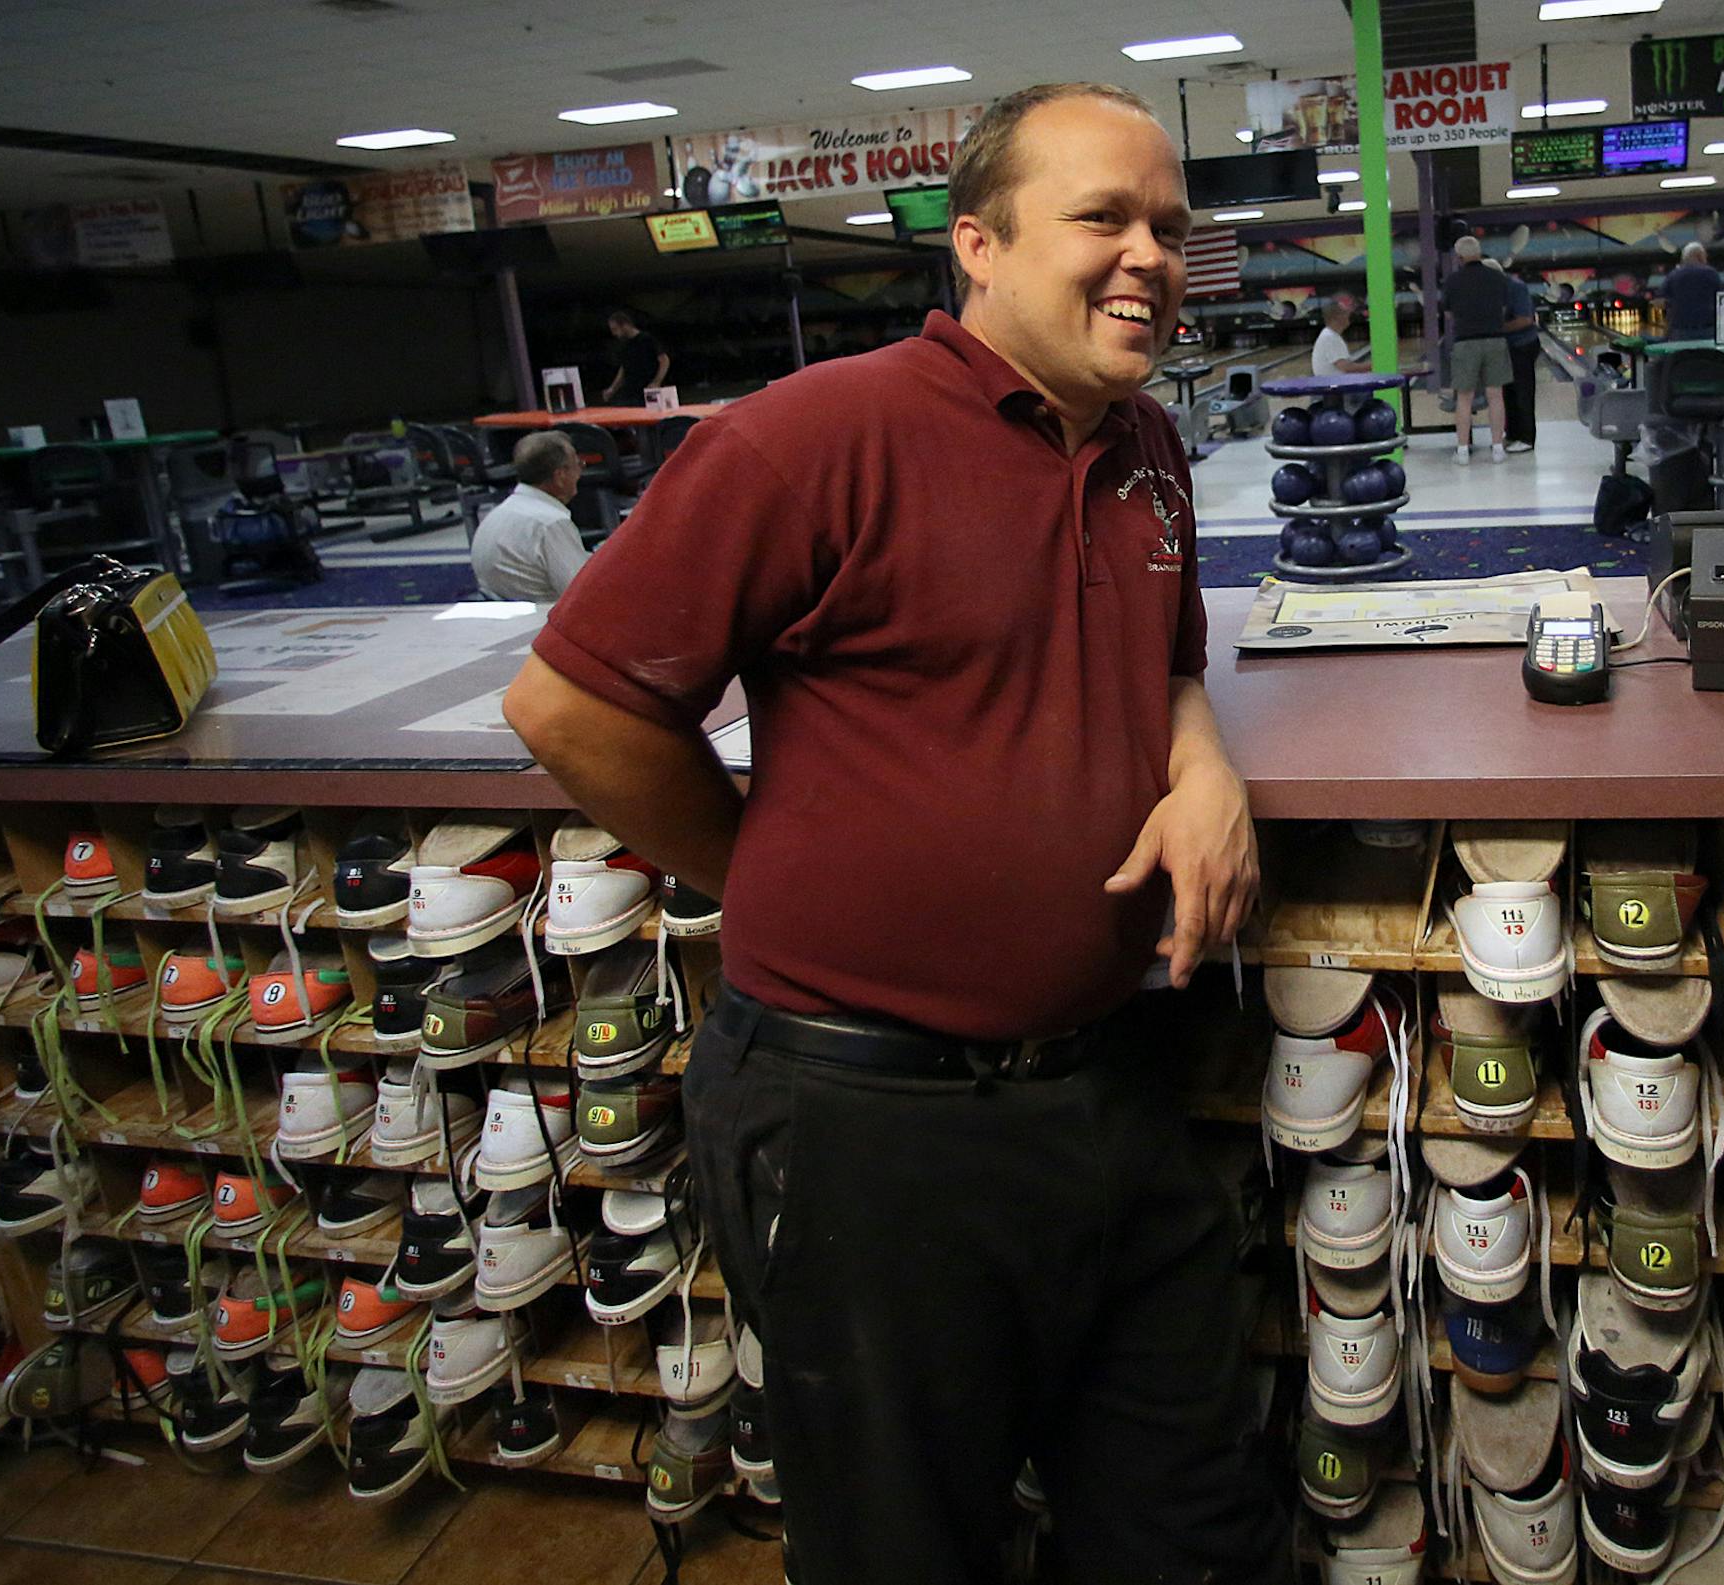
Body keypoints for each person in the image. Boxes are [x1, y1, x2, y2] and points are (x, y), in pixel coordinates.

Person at [502, 81, 1278, 1585]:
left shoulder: (1148, 446)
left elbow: (1169, 660)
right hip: (871, 1128)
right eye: (1103, 220)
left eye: (1171, 229)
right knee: (906, 1548)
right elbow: (571, 709)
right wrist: (770, 872)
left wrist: (1206, 769)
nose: (1151, 259)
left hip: (1108, 1086)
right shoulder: (812, 439)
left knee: (1192, 1529)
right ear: (976, 246)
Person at [467, 432, 589, 603]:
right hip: (542, 619)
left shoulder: (498, 514)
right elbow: (581, 593)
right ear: (560, 476)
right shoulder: (550, 523)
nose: (579, 473)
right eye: (578, 465)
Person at [1442, 234, 1508, 464]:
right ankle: (1498, 448)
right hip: (1495, 340)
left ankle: (1462, 451)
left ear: (1459, 257)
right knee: (1495, 395)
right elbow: (1504, 306)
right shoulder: (1497, 277)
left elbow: (1448, 313)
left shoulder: (1452, 281)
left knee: (1464, 397)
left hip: (1465, 342)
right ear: (1479, 253)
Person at [1493, 258, 1540, 454]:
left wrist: (1495, 329)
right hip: (1508, 346)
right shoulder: (1497, 288)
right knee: (1509, 392)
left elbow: (1525, 320)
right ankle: (1512, 434)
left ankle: (1526, 438)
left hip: (1523, 345)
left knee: (1522, 392)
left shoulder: (1516, 287)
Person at [600, 308, 670, 403]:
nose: (614, 333)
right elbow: (624, 368)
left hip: (648, 389)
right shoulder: (624, 344)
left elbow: (664, 360)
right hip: (631, 391)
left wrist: (656, 382)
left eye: (615, 329)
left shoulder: (647, 339)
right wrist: (612, 388)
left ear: (625, 325)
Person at [1659, 241, 1721, 340]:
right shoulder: (1711, 274)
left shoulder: (1673, 275)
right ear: (1700, 256)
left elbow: (1661, 300)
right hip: (1708, 329)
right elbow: (1720, 298)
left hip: (1680, 330)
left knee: (1683, 355)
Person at [1311, 298, 1370, 376]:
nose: (1349, 315)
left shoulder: (1330, 334)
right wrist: (1374, 365)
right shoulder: (1330, 338)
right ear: (1336, 317)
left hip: (1334, 384)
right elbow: (1346, 367)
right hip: (1335, 386)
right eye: (1345, 313)